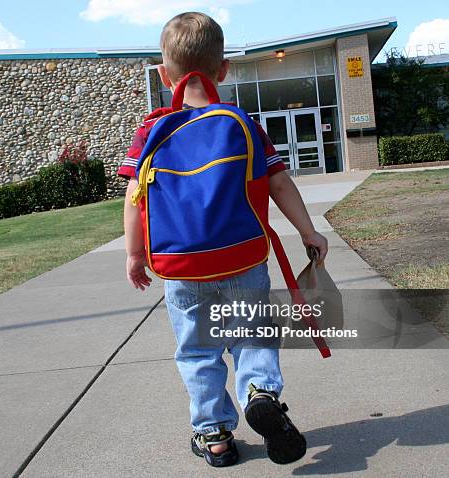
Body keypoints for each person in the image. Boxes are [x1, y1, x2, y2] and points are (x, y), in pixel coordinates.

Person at [118, 12, 328, 468]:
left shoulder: (150, 132)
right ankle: (259, 391)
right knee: (253, 337)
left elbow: (135, 199)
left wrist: (136, 255)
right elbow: (279, 183)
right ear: (224, 69)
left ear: (163, 73)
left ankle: (214, 434)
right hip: (244, 261)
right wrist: (308, 231)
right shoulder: (243, 124)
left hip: (182, 269)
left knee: (197, 350)